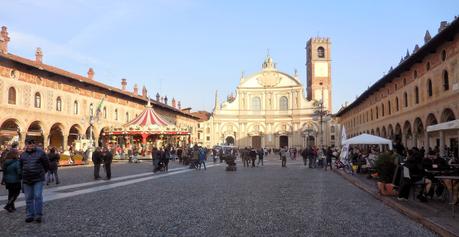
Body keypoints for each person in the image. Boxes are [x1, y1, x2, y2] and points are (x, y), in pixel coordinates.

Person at [20, 139, 49, 223]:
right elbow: (21, 166)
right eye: (28, 144)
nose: (30, 145)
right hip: (26, 179)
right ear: (26, 145)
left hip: (38, 179)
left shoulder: (41, 153)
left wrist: (42, 173)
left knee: (37, 196)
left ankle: (38, 215)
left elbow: (46, 165)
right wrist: (21, 174)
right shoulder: (23, 155)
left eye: (32, 144)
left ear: (34, 144)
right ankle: (29, 215)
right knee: (28, 198)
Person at [1, 142, 21, 212]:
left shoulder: (6, 162)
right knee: (16, 193)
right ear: (15, 154)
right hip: (15, 180)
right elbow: (19, 172)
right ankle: (8, 205)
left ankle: (12, 207)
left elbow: (4, 171)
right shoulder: (16, 162)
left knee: (11, 193)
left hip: (8, 180)